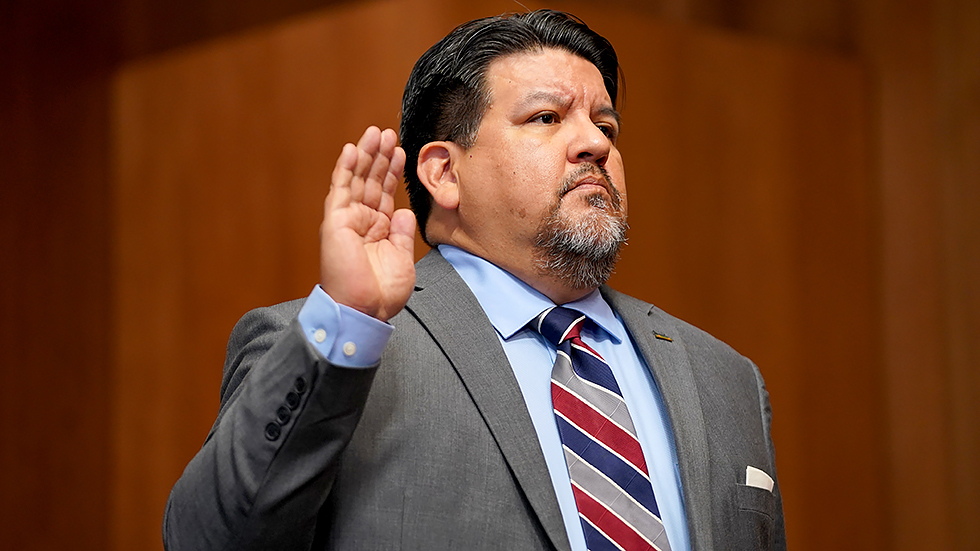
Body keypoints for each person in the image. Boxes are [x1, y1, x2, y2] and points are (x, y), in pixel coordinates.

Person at [164, 9, 786, 551]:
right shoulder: (341, 346)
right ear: (445, 174)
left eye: (607, 126)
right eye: (547, 117)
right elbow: (208, 538)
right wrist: (344, 322)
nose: (595, 143)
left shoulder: (724, 378)